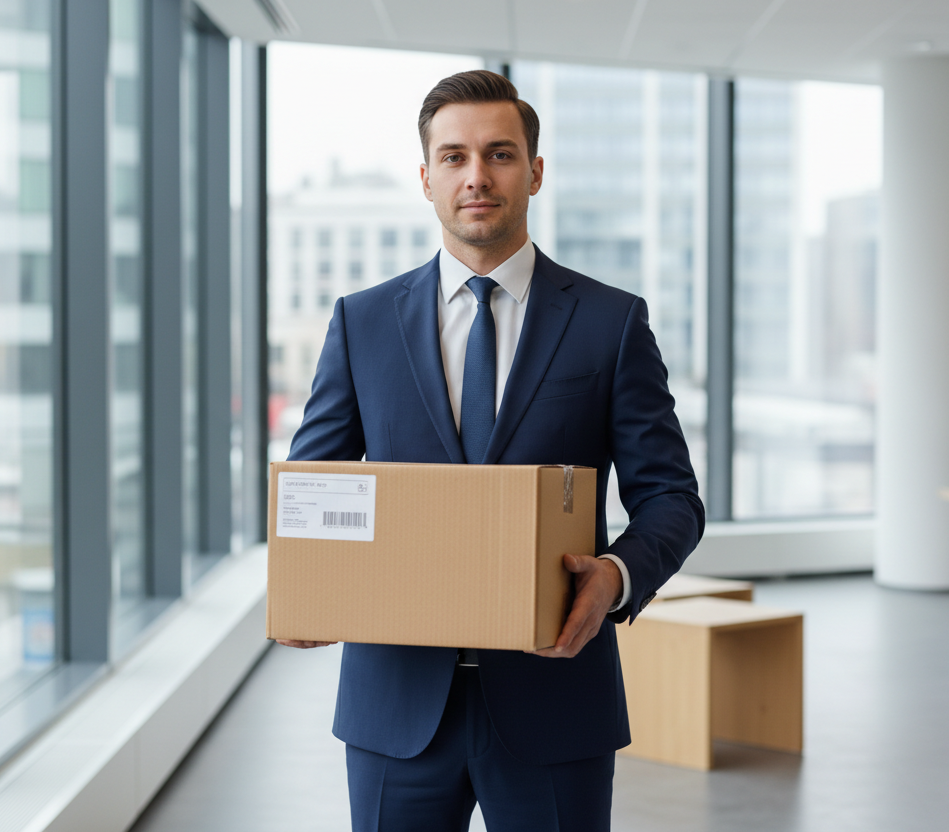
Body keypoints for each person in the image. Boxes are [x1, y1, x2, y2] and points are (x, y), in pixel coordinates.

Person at [279, 70, 704, 832]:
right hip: (396, 708)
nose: (477, 176)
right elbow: (316, 484)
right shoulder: (362, 323)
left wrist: (616, 575)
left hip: (556, 700)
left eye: (500, 154)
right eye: (454, 157)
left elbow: (673, 496)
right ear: (426, 177)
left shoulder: (610, 324)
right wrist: (307, 585)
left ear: (535, 171)